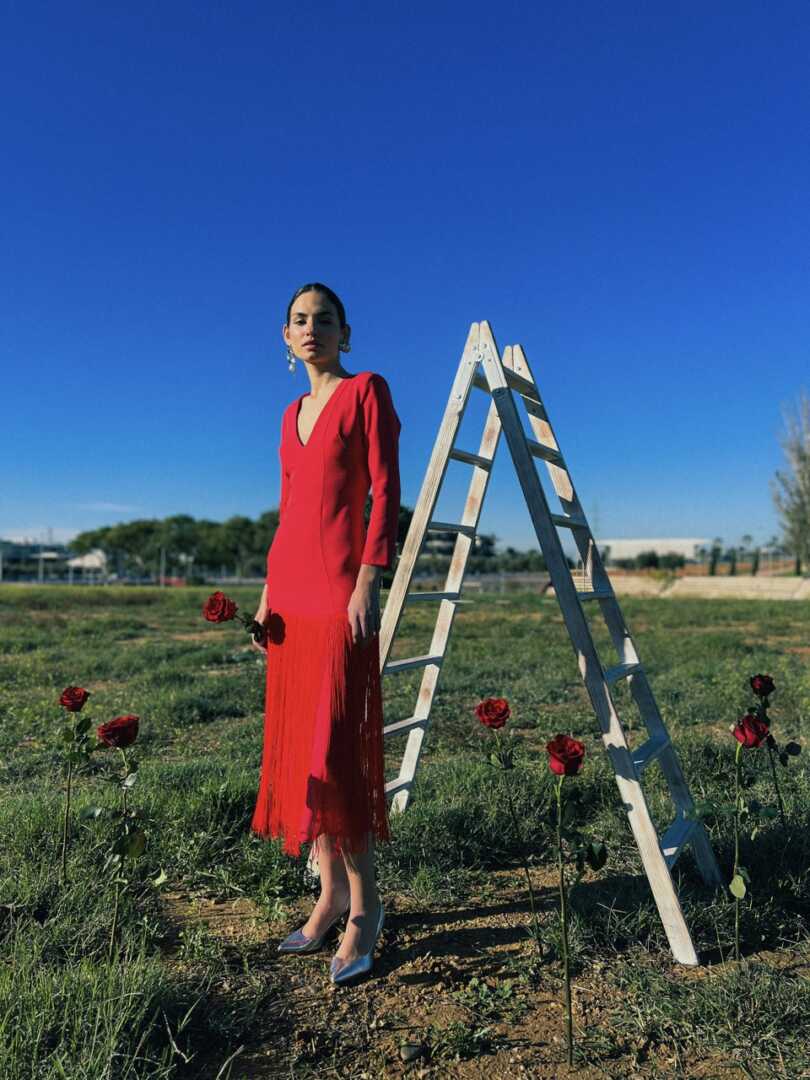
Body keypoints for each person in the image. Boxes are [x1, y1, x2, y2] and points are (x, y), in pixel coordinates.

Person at [249, 282, 401, 985]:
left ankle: (366, 909)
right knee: (305, 755)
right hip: (293, 595)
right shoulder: (286, 416)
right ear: (286, 337)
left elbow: (383, 489)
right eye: (300, 320)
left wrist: (371, 578)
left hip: (343, 592)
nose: (312, 329)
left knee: (339, 754)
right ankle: (329, 893)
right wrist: (266, 594)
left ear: (346, 331)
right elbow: (287, 510)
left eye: (325, 319)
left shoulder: (366, 390)